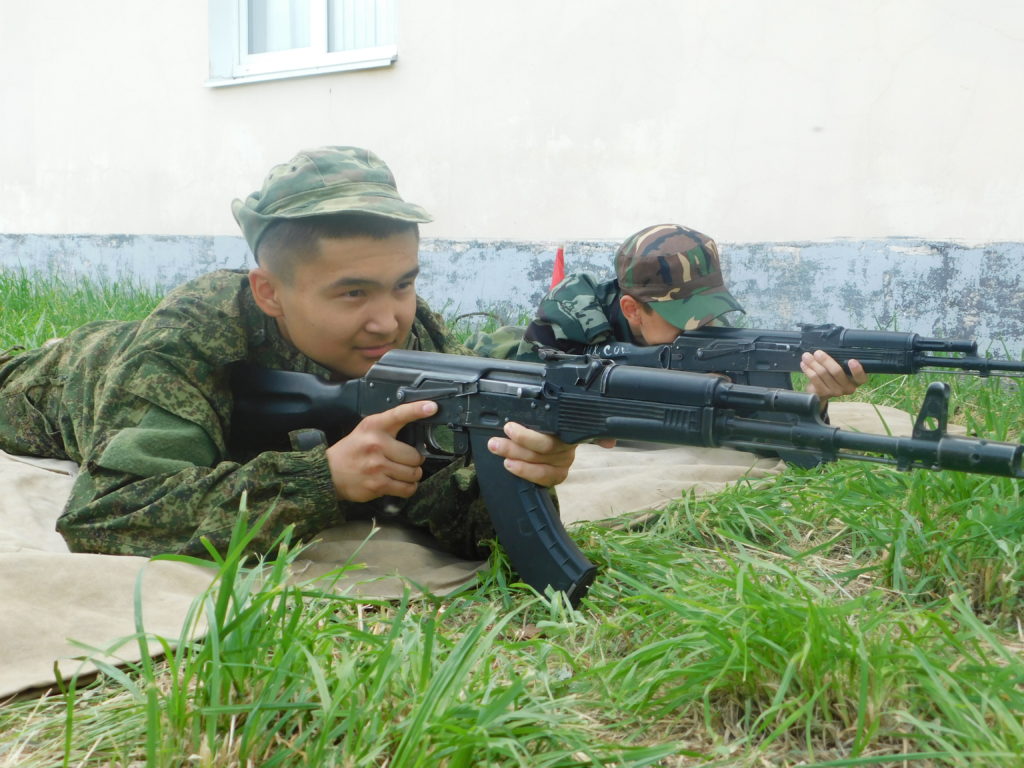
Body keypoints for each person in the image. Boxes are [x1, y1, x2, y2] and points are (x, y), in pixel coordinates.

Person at [0, 146, 577, 561]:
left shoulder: (415, 338)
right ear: (268, 292)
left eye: (403, 283)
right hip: (58, 380)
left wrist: (522, 470)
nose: (389, 319)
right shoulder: (195, 333)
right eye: (353, 292)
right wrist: (319, 481)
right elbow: (108, 513)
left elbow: (450, 502)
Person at [473, 223, 867, 407]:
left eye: (708, 312)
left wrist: (813, 400)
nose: (703, 326)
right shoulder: (571, 312)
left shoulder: (708, 333)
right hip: (508, 355)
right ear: (632, 309)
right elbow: (541, 397)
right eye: (685, 316)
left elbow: (761, 421)